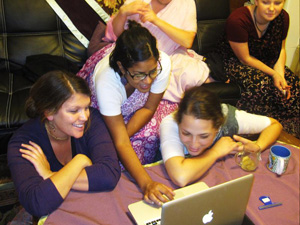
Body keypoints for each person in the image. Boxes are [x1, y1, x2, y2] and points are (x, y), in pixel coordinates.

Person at [80, 20, 176, 205]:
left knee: (153, 134)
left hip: (132, 116)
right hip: (102, 113)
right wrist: (146, 183)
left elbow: (149, 108)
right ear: (123, 68)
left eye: (151, 72)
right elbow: (120, 140)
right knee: (107, 160)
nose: (147, 82)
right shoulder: (107, 80)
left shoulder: (162, 64)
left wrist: (122, 137)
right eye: (138, 74)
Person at [7, 71, 121, 217]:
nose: (85, 116)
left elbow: (109, 174)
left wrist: (50, 176)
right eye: (74, 111)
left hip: (92, 207)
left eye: (86, 107)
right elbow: (37, 203)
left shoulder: (92, 120)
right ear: (49, 113)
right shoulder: (23, 143)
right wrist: (79, 161)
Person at [160, 86, 283, 187]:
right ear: (179, 122)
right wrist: (216, 152)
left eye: (204, 136)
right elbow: (180, 177)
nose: (194, 144)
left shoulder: (228, 118)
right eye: (186, 133)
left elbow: (275, 125)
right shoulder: (171, 124)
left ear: (218, 126)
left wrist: (258, 146)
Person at [100, 0, 216, 103]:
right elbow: (118, 34)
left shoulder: (186, 3)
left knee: (191, 74)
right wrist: (123, 12)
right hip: (136, 54)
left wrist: (156, 20)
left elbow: (187, 41)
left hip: (169, 55)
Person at [215, 0, 299, 138]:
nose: (272, 8)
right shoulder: (238, 20)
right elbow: (245, 58)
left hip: (266, 61)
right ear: (256, 1)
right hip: (235, 62)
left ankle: (286, 133)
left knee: (293, 86)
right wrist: (273, 74)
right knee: (262, 84)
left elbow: (281, 49)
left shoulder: (283, 17)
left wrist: (281, 76)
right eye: (266, 2)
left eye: (278, 3)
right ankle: (257, 131)